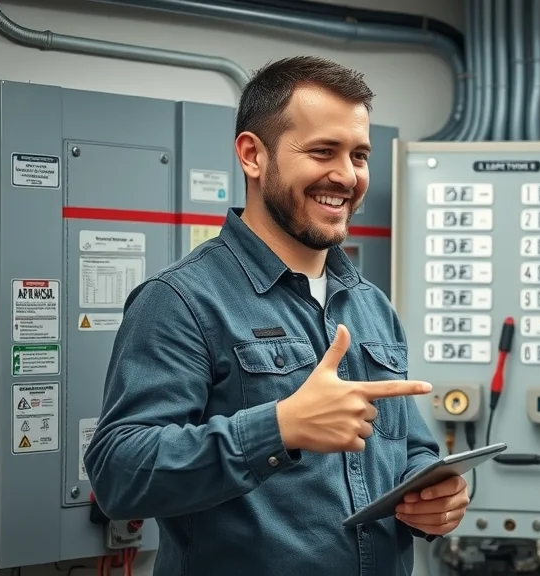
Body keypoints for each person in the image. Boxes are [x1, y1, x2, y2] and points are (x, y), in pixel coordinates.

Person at [84, 56, 469, 575]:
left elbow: (409, 452)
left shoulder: (370, 305)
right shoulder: (181, 301)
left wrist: (434, 493)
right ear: (252, 155)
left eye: (359, 155)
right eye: (322, 152)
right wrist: (278, 428)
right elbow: (118, 474)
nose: (346, 176)